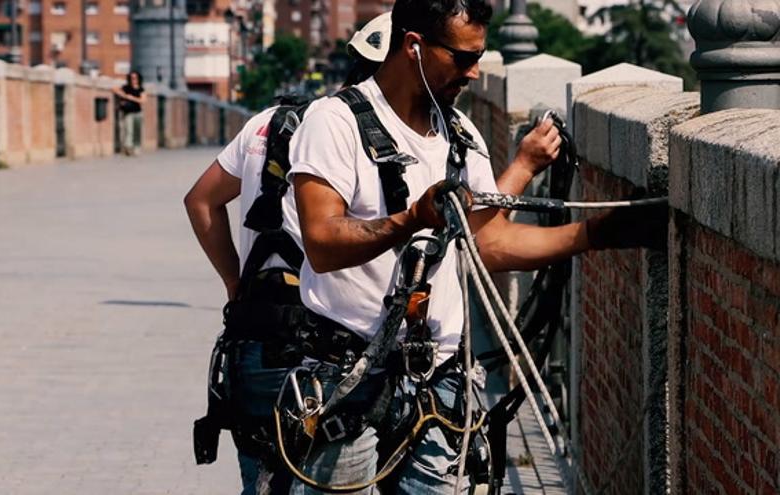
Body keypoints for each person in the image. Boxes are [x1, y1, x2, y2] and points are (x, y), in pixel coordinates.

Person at [284, 0, 664, 493]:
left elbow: (488, 242)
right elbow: (322, 243)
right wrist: (411, 219)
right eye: (463, 57)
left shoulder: (460, 134)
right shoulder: (334, 122)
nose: (475, 72)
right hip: (346, 376)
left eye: (479, 56)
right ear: (414, 47)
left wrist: (595, 234)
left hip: (437, 379)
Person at [184, 14, 397, 495]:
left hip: (256, 338)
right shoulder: (380, 137)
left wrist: (236, 283)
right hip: (333, 351)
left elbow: (201, 200)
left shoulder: (270, 122)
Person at [113, 71, 146, 156]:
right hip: (128, 112)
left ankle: (137, 148)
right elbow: (114, 89)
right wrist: (124, 95)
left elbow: (143, 100)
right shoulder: (126, 87)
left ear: (138, 79)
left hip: (138, 113)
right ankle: (128, 147)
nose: (133, 79)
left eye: (135, 78)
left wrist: (132, 98)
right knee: (129, 130)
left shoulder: (141, 89)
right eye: (131, 78)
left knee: (137, 131)